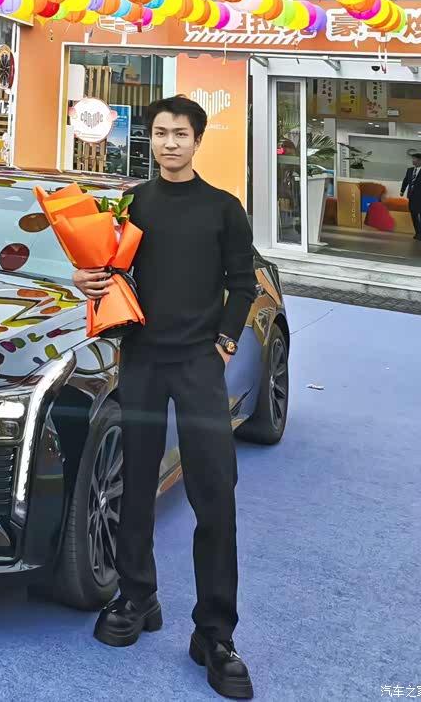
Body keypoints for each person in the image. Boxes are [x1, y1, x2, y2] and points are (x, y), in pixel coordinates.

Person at [73, 95, 257, 700]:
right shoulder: (132, 205)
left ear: (197, 141)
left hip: (199, 365)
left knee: (215, 495)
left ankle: (215, 634)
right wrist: (85, 280)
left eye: (180, 134)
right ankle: (137, 596)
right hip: (143, 359)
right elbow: (108, 272)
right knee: (136, 485)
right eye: (159, 133)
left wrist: (224, 343)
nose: (169, 143)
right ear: (149, 140)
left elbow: (241, 285)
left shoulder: (224, 209)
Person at [400, 152, 421, 241]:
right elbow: (406, 181)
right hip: (411, 197)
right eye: (413, 159)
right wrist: (402, 190)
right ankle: (418, 232)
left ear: (420, 161)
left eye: (414, 159)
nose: (413, 160)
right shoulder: (410, 170)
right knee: (414, 215)